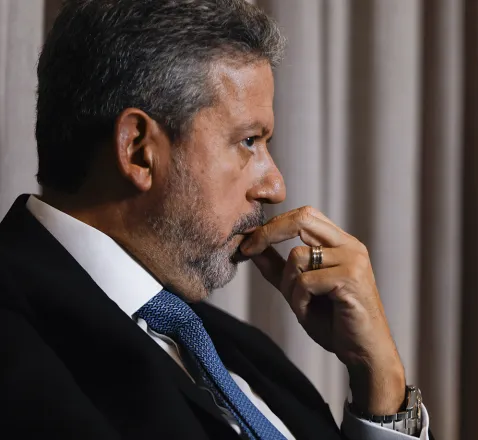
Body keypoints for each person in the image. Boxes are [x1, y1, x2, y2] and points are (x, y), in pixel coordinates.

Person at [0, 1, 432, 439]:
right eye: (249, 141)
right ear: (138, 150)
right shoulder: (19, 340)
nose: (275, 187)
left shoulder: (240, 347)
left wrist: (379, 380)